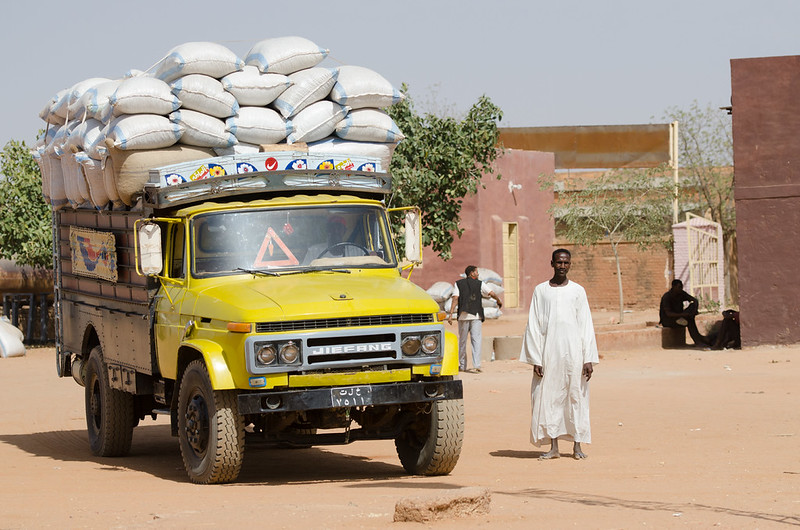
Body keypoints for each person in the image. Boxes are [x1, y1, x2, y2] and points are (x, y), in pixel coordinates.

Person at [519, 249, 598, 460]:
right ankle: (553, 447)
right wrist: (536, 358)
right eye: (559, 262)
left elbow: (586, 325)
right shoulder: (541, 290)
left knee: (575, 396)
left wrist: (588, 357)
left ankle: (577, 446)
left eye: (566, 263)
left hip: (575, 353)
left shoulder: (578, 291)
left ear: (570, 264)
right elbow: (534, 325)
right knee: (550, 397)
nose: (562, 266)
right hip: (549, 352)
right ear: (552, 263)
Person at [447, 265, 503, 373]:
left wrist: (450, 314)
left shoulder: (458, 284)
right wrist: (498, 300)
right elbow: (491, 293)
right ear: (472, 273)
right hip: (476, 316)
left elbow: (455, 298)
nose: (478, 274)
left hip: (463, 316)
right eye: (476, 272)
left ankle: (462, 366)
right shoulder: (480, 284)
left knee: (462, 341)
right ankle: (477, 365)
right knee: (476, 340)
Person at [659, 279, 709, 346]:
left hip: (680, 317)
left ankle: (699, 339)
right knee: (689, 320)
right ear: (673, 287)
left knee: (691, 311)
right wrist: (683, 314)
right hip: (669, 320)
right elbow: (669, 314)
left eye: (681, 287)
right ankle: (698, 340)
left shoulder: (681, 294)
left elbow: (694, 300)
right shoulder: (667, 297)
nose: (681, 289)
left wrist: (694, 310)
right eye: (679, 287)